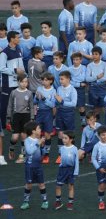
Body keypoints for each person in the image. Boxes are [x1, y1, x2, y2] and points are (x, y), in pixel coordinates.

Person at [0, 31, 25, 165]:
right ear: (11, 39)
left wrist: (22, 74)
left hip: (17, 83)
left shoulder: (19, 49)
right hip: (8, 84)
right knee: (4, 106)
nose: (19, 39)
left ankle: (13, 124)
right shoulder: (4, 52)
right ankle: (3, 126)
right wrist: (15, 71)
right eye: (17, 38)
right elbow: (1, 68)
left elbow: (20, 66)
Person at [20, 121, 48, 210]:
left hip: (38, 166)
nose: (40, 130)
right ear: (33, 131)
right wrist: (38, 143)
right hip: (29, 167)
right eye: (38, 128)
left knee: (41, 184)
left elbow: (43, 154)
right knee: (28, 185)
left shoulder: (39, 140)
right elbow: (29, 151)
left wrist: (43, 146)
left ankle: (45, 201)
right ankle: (25, 202)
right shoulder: (27, 141)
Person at [7, 74, 34, 164]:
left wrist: (32, 118)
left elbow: (31, 106)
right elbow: (10, 105)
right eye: (22, 82)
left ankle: (22, 156)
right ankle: (11, 148)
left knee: (24, 136)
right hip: (16, 116)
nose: (24, 84)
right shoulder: (14, 92)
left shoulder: (29, 93)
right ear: (18, 82)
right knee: (15, 137)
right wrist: (8, 117)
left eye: (26, 82)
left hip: (26, 116)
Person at [54, 71, 77, 164]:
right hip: (60, 113)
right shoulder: (59, 88)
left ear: (68, 79)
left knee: (70, 134)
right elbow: (56, 101)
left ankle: (72, 154)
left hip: (69, 114)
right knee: (60, 134)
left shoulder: (73, 90)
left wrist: (62, 102)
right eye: (59, 79)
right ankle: (61, 155)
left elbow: (74, 104)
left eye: (62, 79)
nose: (60, 81)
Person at [34, 72, 56, 164]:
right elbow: (34, 101)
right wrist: (37, 98)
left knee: (47, 134)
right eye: (42, 80)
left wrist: (43, 99)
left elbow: (52, 104)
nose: (43, 81)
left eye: (46, 80)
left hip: (48, 113)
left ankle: (46, 155)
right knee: (37, 133)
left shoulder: (53, 91)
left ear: (51, 81)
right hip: (39, 113)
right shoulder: (39, 88)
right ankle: (39, 152)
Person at [55, 130, 79, 211]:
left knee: (70, 187)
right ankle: (58, 201)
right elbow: (61, 159)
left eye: (66, 138)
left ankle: (70, 203)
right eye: (63, 138)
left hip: (71, 170)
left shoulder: (75, 149)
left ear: (71, 139)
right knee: (58, 186)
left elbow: (76, 161)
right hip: (62, 170)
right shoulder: (61, 149)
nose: (63, 140)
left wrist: (76, 172)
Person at [86, 46, 106, 118]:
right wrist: (97, 77)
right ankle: (95, 122)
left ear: (100, 55)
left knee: (104, 106)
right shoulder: (89, 65)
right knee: (94, 108)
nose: (94, 56)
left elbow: (105, 78)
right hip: (93, 88)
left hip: (103, 88)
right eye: (93, 54)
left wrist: (93, 78)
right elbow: (87, 79)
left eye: (96, 54)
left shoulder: (105, 64)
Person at [68, 52, 87, 128]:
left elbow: (83, 78)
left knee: (81, 106)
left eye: (77, 59)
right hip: (71, 89)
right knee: (72, 106)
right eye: (74, 60)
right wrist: (78, 83)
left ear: (81, 60)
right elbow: (69, 81)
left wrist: (74, 81)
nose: (75, 61)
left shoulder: (84, 68)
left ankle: (83, 121)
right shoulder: (69, 69)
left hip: (81, 90)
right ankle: (70, 122)